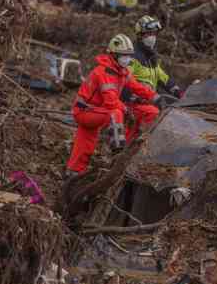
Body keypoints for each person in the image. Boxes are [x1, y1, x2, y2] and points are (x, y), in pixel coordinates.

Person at [65, 34, 162, 177]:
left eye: (129, 55)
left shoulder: (122, 71)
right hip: (85, 112)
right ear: (113, 55)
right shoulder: (104, 72)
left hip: (97, 111)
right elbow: (111, 102)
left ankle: (74, 173)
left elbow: (137, 87)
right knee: (115, 113)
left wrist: (156, 97)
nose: (127, 58)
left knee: (150, 111)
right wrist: (126, 110)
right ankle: (118, 153)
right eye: (124, 55)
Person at [125, 15, 180, 141]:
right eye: (148, 34)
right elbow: (125, 81)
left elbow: (163, 78)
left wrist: (178, 92)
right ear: (140, 35)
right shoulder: (133, 56)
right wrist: (137, 98)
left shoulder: (151, 57)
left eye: (154, 34)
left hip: (148, 102)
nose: (152, 37)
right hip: (134, 103)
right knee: (154, 115)